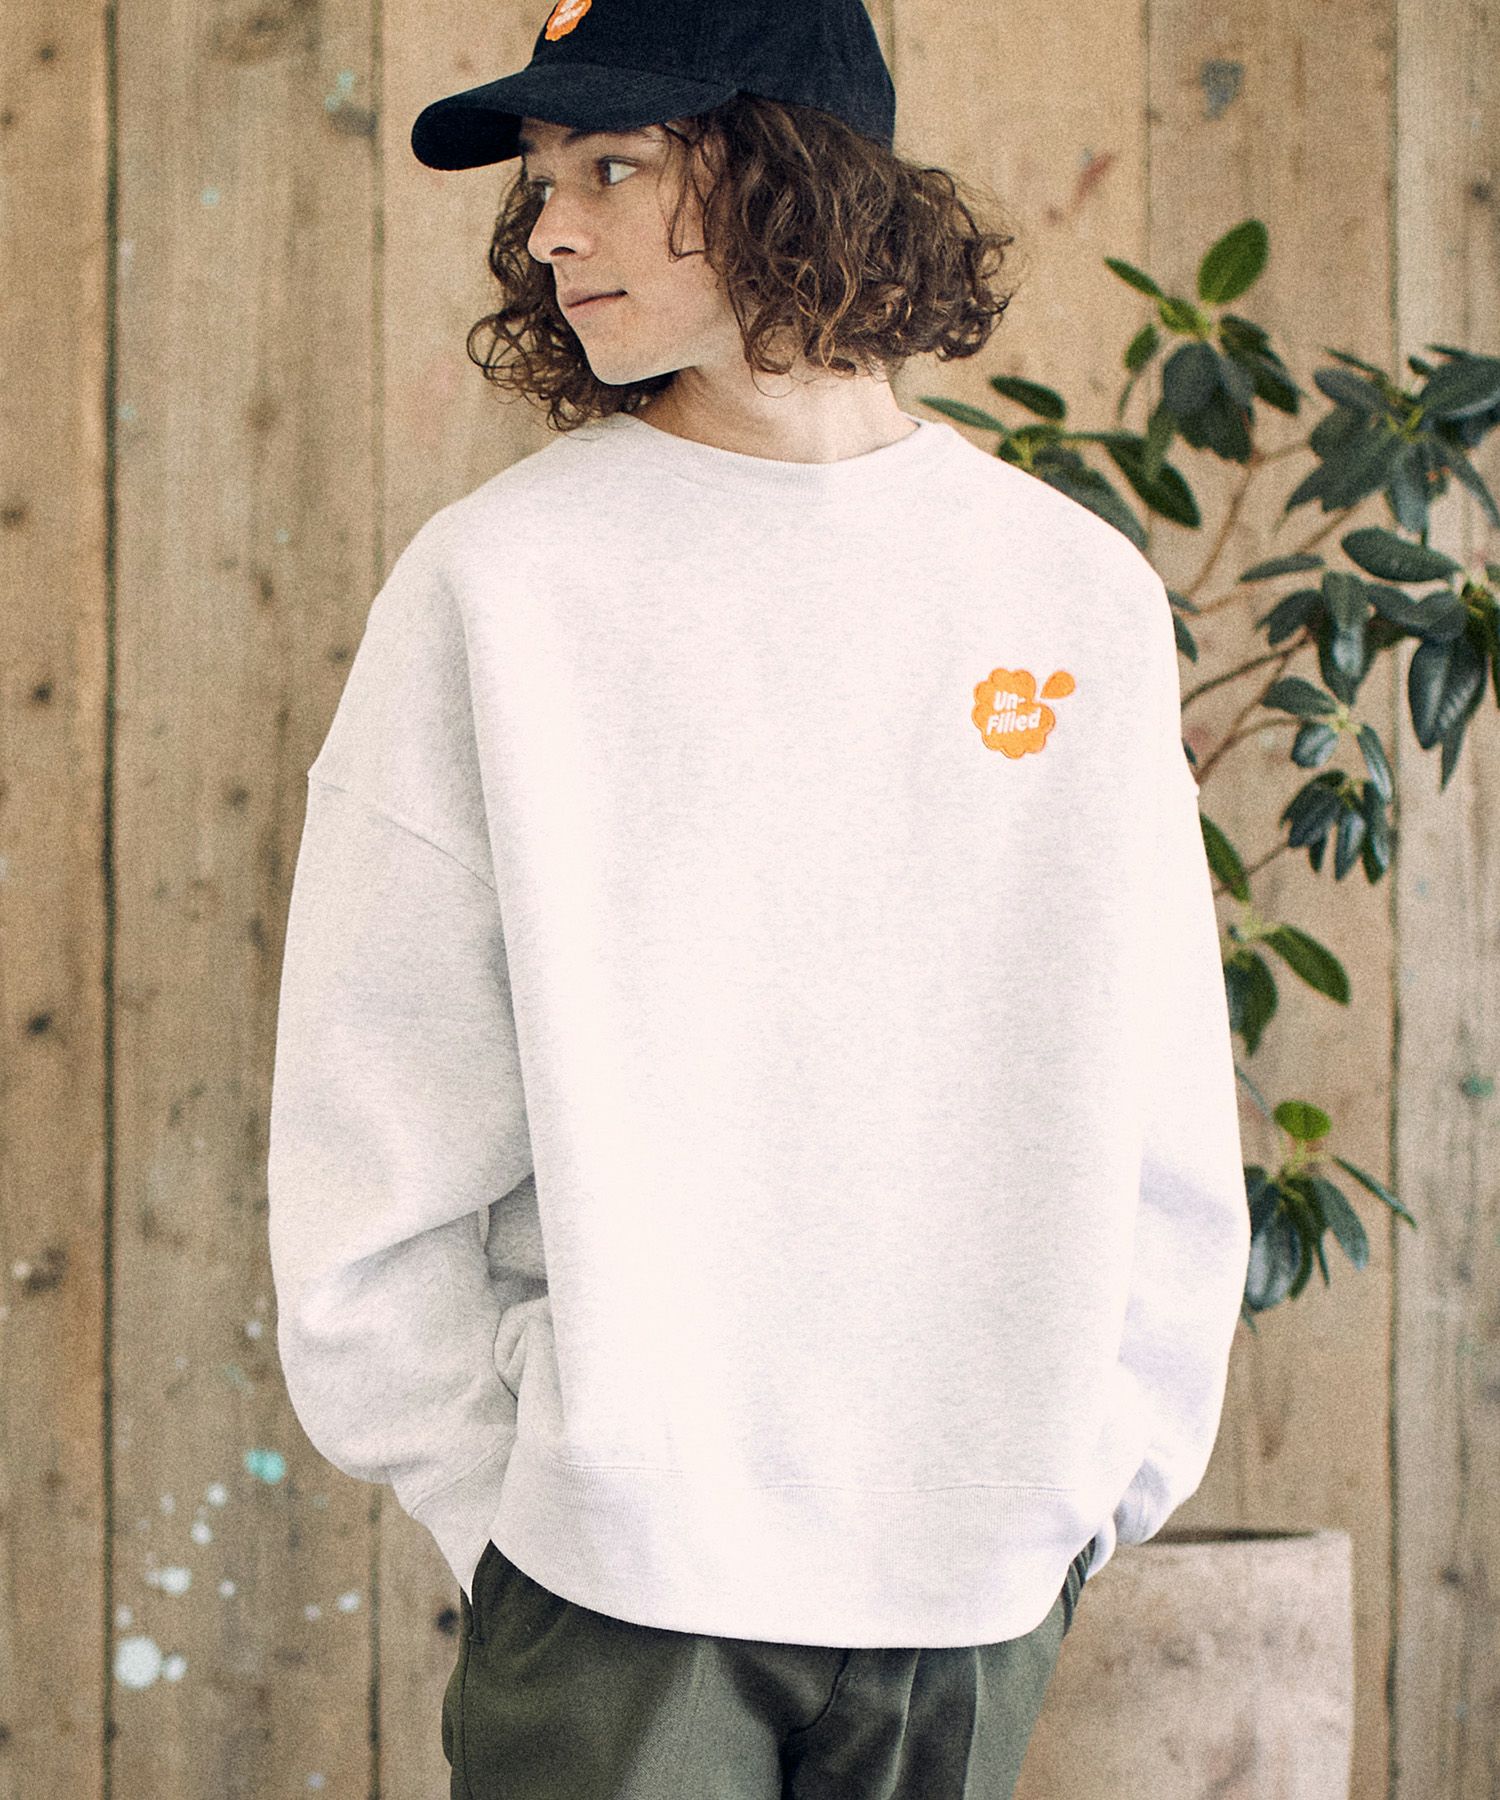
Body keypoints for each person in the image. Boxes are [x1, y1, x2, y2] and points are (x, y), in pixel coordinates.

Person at [265, 1, 1252, 1795]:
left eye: (613, 167)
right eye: (543, 182)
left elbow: (1166, 1098)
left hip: (975, 1575)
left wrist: (1097, 1471)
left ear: (795, 176)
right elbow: (375, 1095)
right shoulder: (505, 586)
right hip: (618, 1588)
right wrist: (516, 1507)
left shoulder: (1067, 593)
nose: (550, 230)